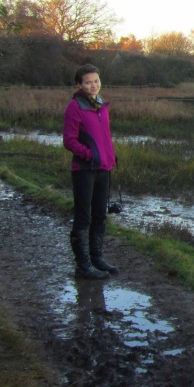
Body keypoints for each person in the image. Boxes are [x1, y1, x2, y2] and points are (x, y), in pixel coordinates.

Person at [63, 63, 119, 280]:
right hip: (84, 170)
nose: (93, 85)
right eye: (88, 82)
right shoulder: (75, 107)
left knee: (100, 215)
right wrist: (90, 154)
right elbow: (69, 141)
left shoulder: (101, 105)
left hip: (103, 168)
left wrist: (109, 154)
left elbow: (104, 136)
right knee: (83, 217)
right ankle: (83, 265)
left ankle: (97, 258)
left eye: (96, 81)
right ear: (79, 84)